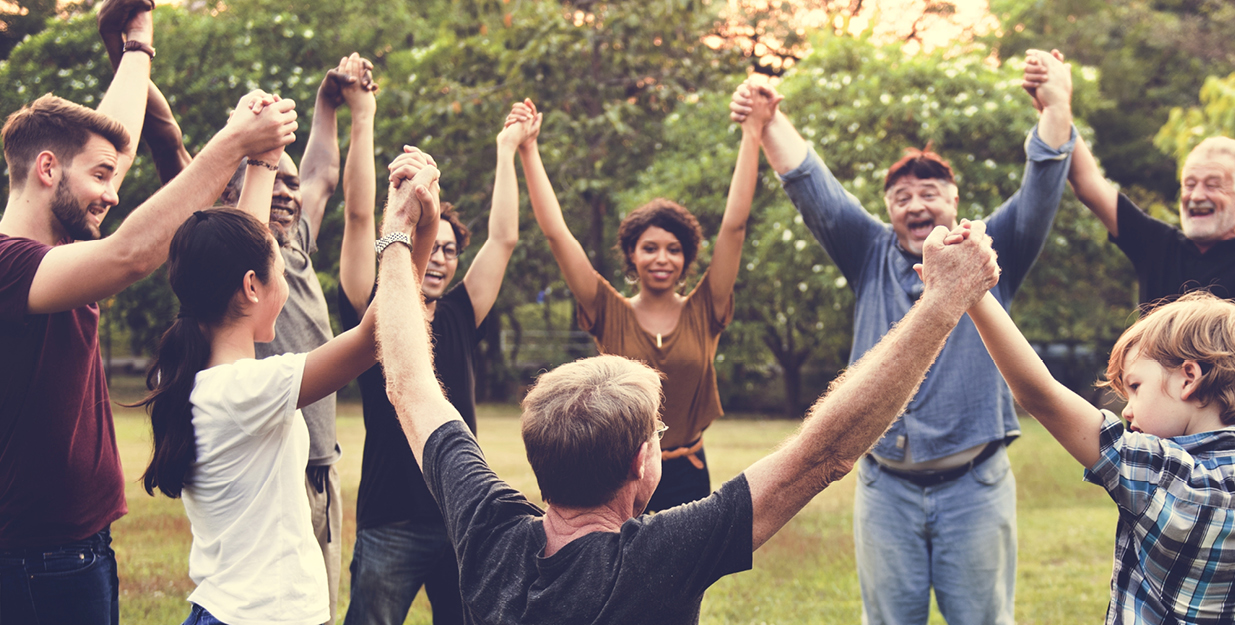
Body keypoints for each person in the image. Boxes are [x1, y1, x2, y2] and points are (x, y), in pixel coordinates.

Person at [373, 131, 1005, 625]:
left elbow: (408, 383)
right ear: (643, 465)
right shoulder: (660, 559)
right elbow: (828, 451)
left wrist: (397, 231)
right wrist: (943, 302)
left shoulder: (487, 533)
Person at [731, 48, 1075, 624]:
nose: (916, 204)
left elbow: (1043, 181)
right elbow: (812, 185)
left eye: (930, 192)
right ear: (888, 209)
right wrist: (769, 118)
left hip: (975, 487)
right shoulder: (867, 253)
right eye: (901, 197)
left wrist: (1058, 103)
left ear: (954, 199)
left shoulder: (993, 251)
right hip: (885, 489)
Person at [0, 7, 296, 621]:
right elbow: (132, 254)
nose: (114, 190)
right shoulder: (9, 264)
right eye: (103, 177)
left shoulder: (61, 249)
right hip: (33, 560)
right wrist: (235, 142)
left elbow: (112, 144)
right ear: (47, 169)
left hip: (78, 548)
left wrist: (138, 46)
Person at [961, 171, 1235, 623]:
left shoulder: (1155, 471)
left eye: (1135, 386)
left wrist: (973, 292)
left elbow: (1039, 394)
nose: (1127, 409)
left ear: (1189, 379)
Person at [1048, 51, 1235, 621]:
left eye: (1212, 184)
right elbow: (1088, 181)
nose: (1196, 193)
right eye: (1189, 182)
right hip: (1157, 454)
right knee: (1152, 578)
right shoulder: (1159, 243)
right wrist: (1058, 104)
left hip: (1234, 462)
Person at [129, 137, 397, 623]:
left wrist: (263, 159)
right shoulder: (248, 390)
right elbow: (370, 337)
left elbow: (240, 244)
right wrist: (399, 227)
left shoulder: (196, 375)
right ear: (252, 286)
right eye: (280, 274)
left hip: (230, 609)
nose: (286, 286)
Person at [524, 90, 758, 512]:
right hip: (613, 474)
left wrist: (752, 131)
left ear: (687, 257)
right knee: (615, 577)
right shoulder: (607, 310)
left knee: (687, 580)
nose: (662, 258)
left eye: (673, 248)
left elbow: (735, 226)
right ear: (631, 254)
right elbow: (557, 234)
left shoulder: (706, 309)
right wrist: (528, 150)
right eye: (649, 247)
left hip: (687, 470)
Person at [336, 118, 522, 623]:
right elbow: (357, 217)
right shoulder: (375, 310)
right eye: (428, 244)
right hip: (389, 517)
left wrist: (506, 148)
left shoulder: (462, 312)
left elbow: (503, 238)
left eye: (449, 250)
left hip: (461, 514)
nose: (438, 259)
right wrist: (361, 117)